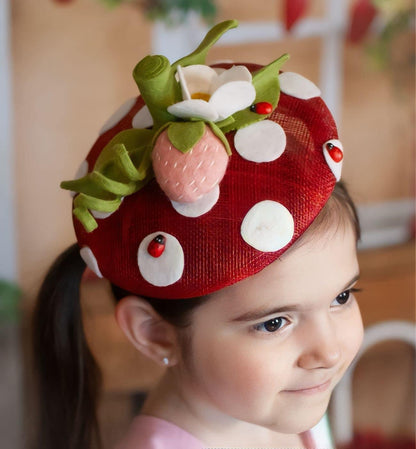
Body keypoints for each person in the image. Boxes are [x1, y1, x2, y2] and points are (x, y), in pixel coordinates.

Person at [32, 19, 364, 449]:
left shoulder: (285, 410)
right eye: (275, 323)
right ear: (155, 334)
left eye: (342, 297)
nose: (329, 352)